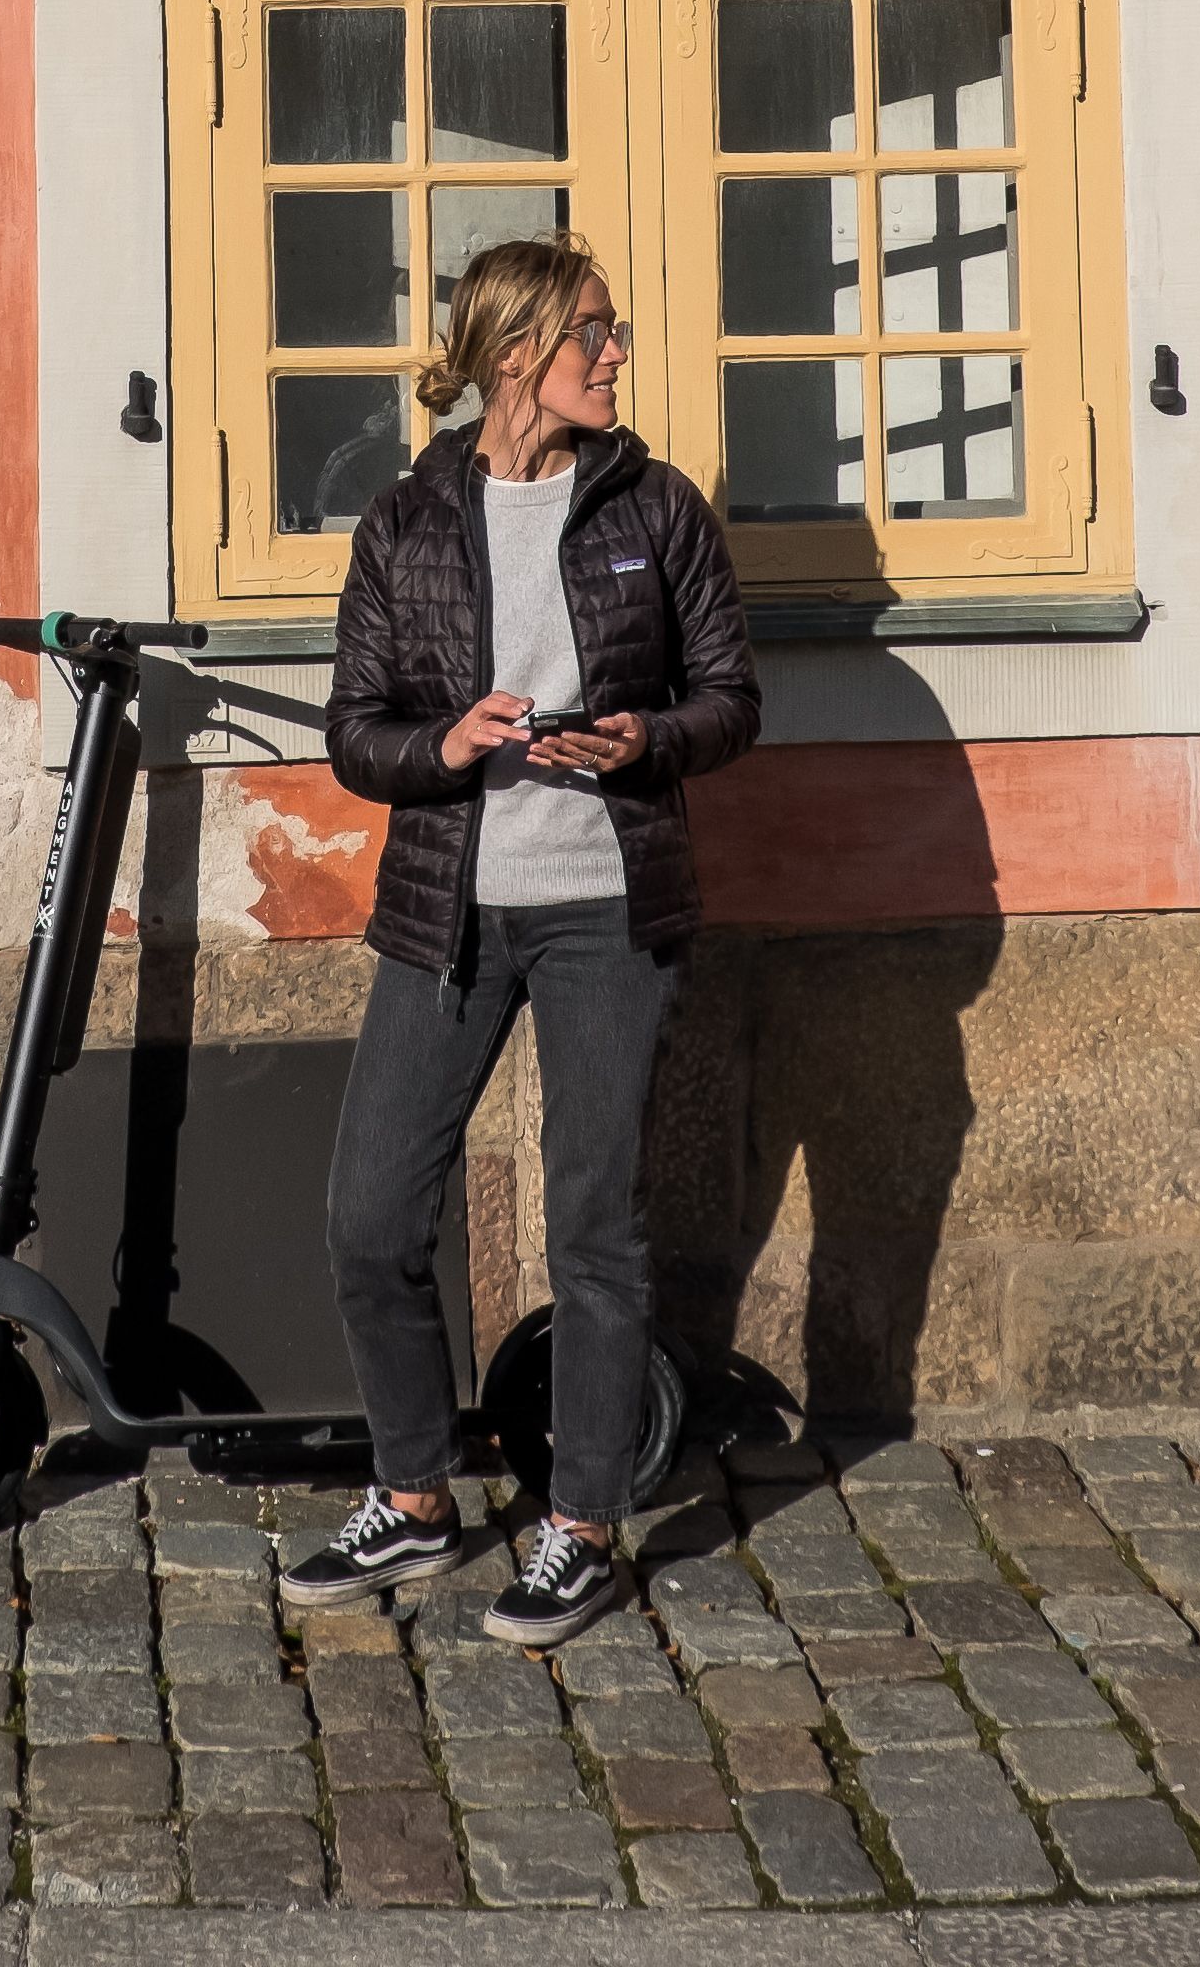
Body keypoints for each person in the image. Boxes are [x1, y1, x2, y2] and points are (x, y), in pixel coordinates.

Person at [280, 231, 759, 1647]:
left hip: (611, 911)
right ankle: (415, 1498)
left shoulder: (657, 509)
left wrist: (646, 736)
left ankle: (583, 1527)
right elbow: (355, 734)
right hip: (449, 911)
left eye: (612, 331)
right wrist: (444, 744)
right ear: (513, 354)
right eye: (591, 332)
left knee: (593, 1227)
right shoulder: (406, 522)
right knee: (371, 1215)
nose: (615, 353)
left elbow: (731, 699)